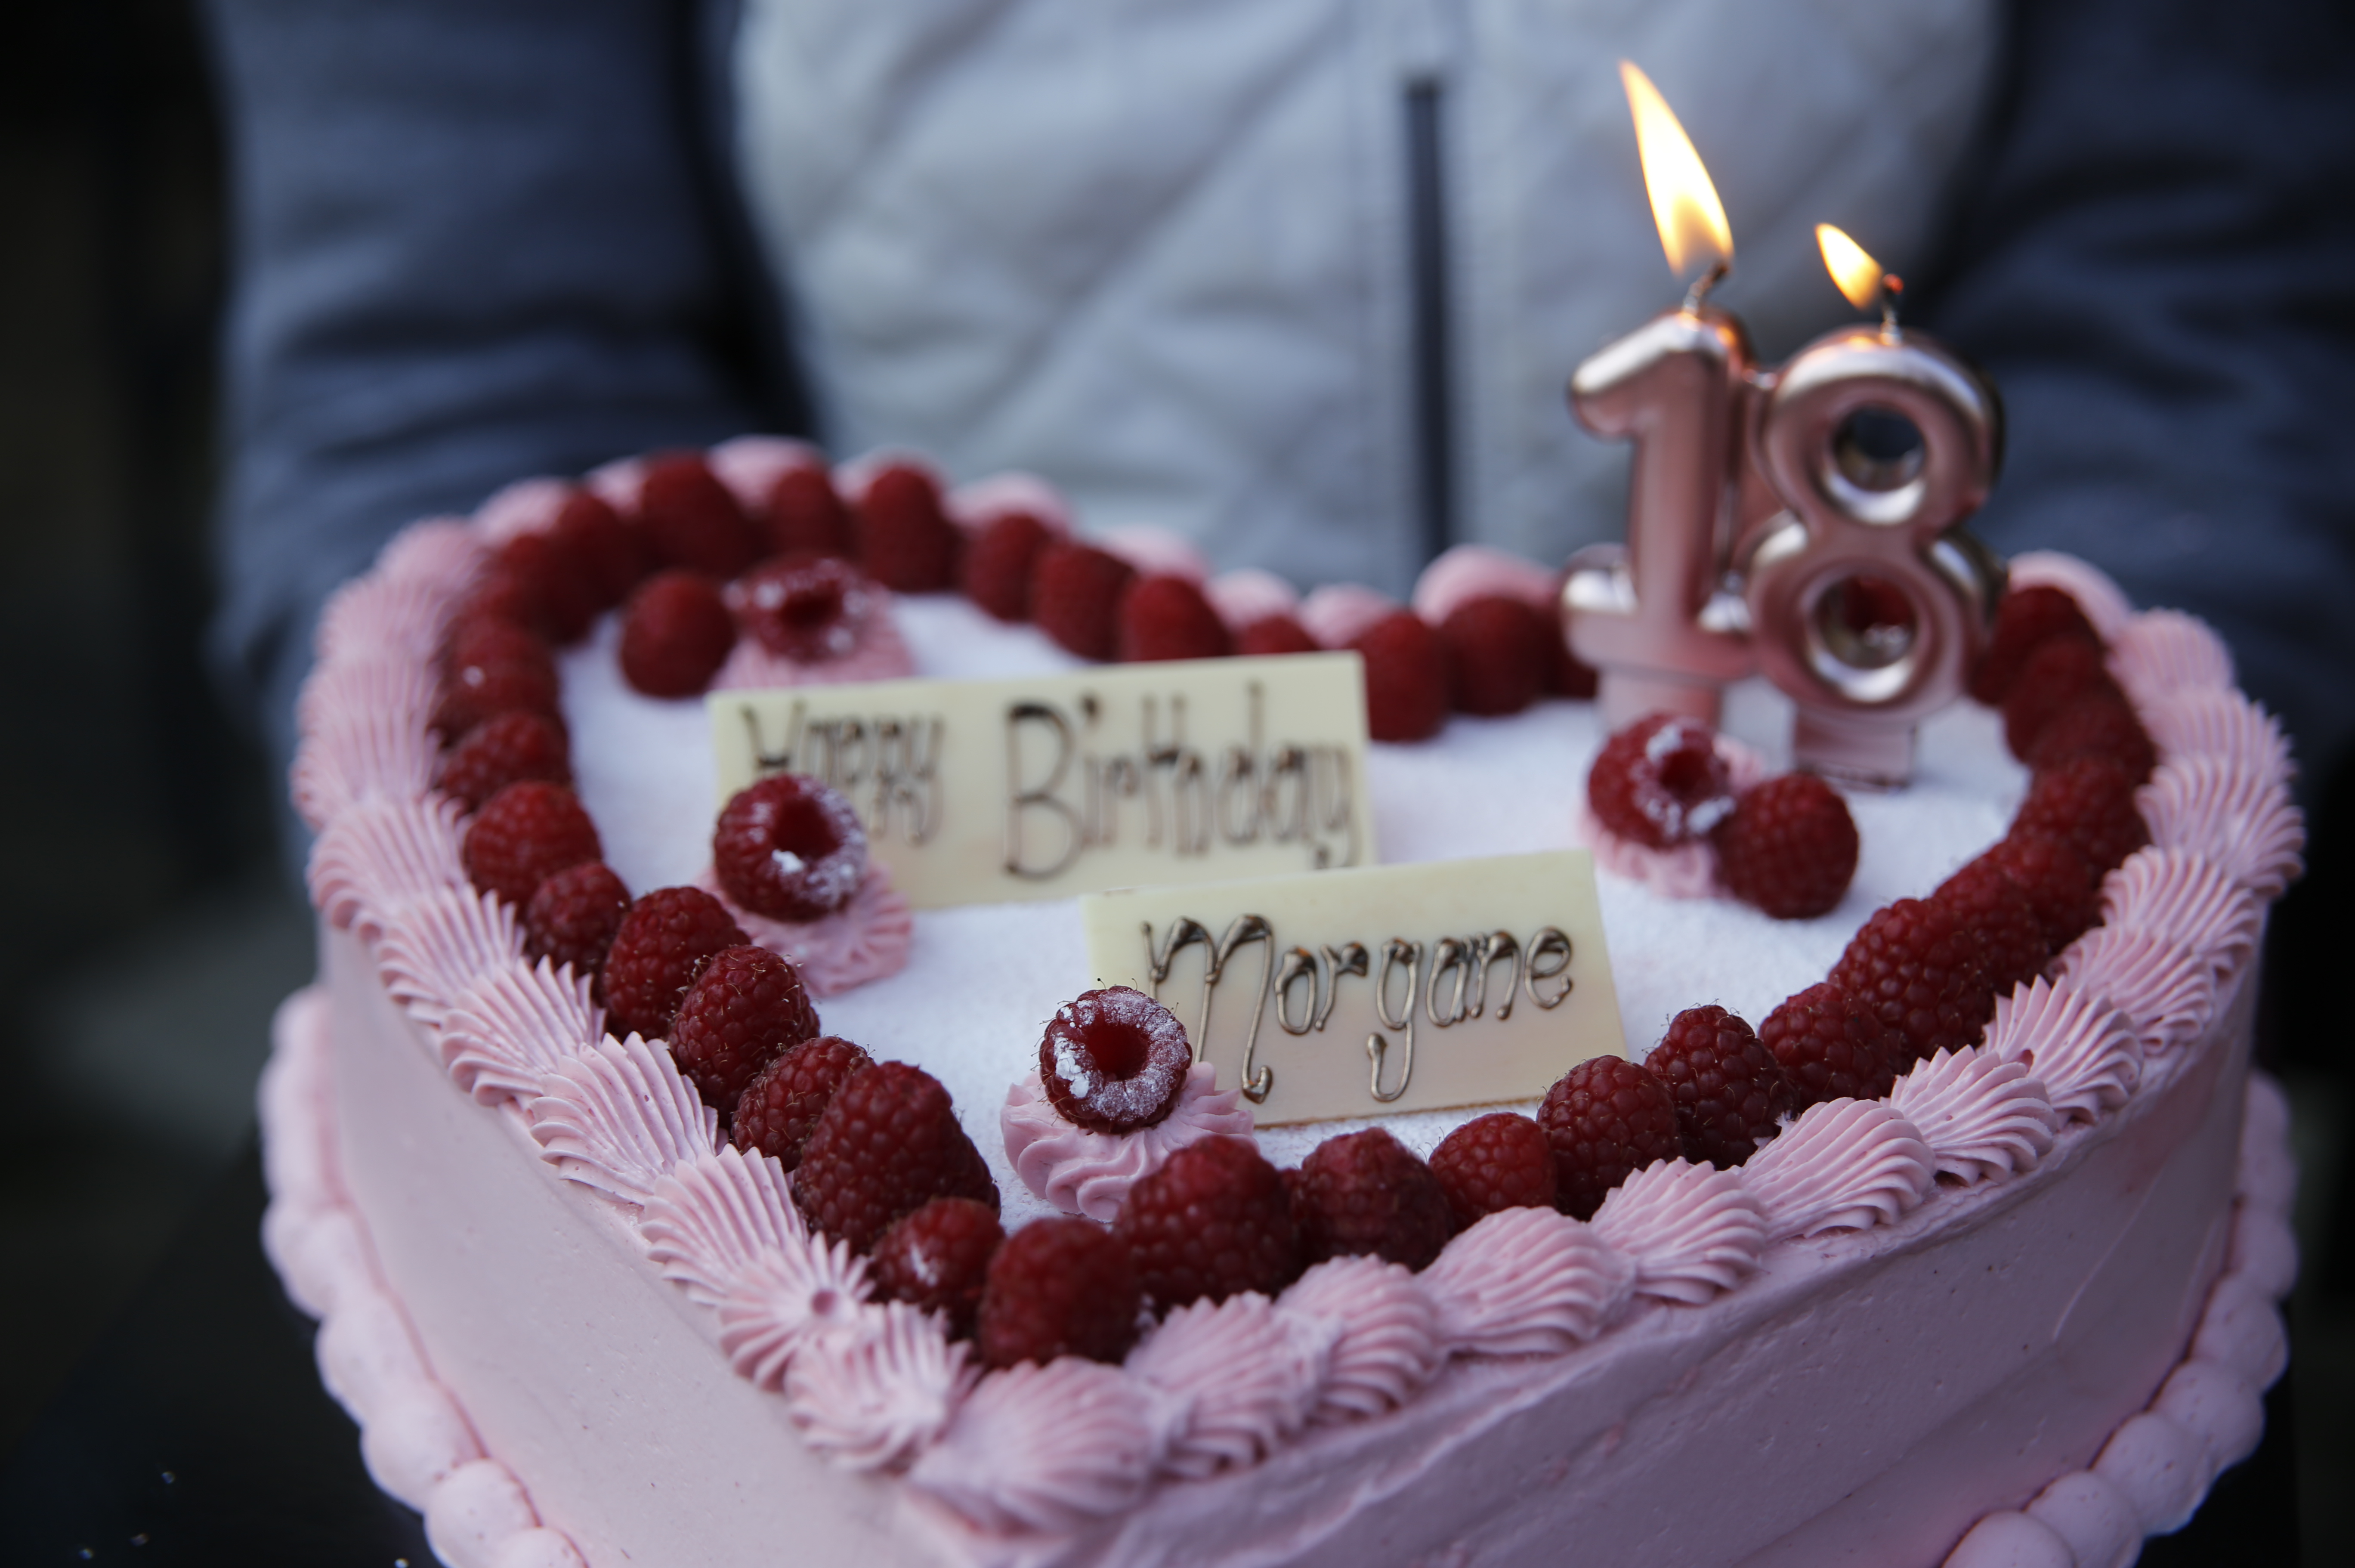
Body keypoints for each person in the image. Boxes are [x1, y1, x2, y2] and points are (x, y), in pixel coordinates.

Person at [203, 0, 2355, 811]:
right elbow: (454, 404)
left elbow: (2194, 294)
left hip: (1810, 928)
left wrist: (2061, 907)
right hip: (926, 972)